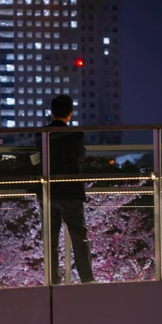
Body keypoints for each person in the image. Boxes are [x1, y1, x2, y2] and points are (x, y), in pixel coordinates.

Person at [36, 95, 94, 285]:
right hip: (71, 190)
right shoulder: (76, 134)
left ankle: (53, 280)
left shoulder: (41, 133)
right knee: (79, 237)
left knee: (50, 239)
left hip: (48, 190)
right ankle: (87, 278)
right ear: (70, 114)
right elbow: (80, 156)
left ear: (52, 113)